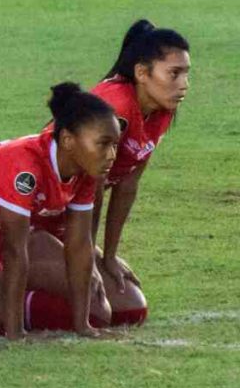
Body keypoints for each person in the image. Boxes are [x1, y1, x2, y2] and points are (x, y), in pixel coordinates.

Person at [0, 83, 120, 338]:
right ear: (67, 140)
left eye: (115, 144)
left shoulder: (84, 172)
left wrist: (83, 325)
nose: (112, 155)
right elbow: (14, 250)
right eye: (103, 144)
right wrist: (16, 333)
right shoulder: (25, 167)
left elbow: (79, 246)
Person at [37, 20, 190, 327]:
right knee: (97, 311)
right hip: (36, 214)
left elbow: (129, 182)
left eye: (186, 73)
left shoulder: (160, 109)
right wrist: (87, 257)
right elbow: (91, 189)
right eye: (174, 73)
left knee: (131, 309)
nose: (184, 83)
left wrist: (108, 256)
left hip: (68, 218)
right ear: (142, 73)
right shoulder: (116, 108)